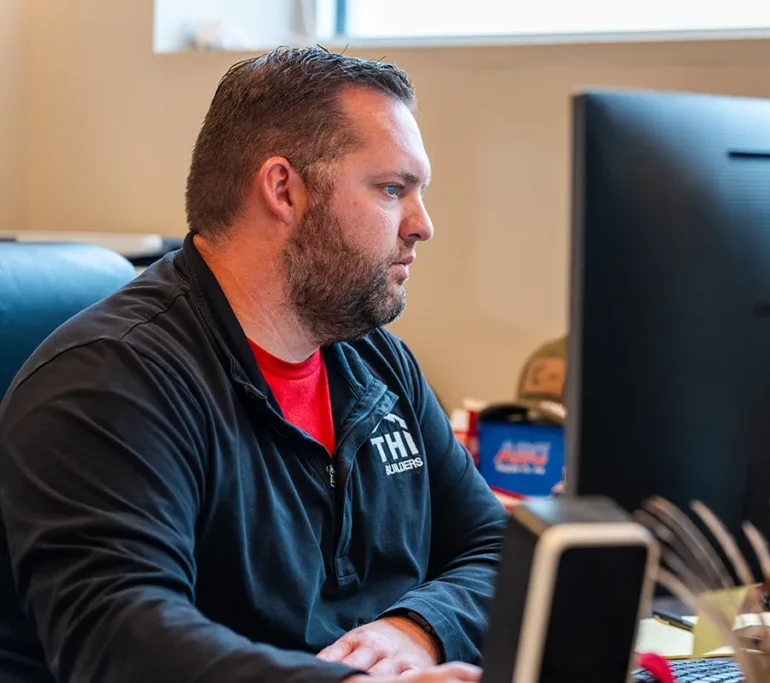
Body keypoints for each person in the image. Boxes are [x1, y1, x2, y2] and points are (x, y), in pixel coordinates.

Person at [0, 47, 507, 683]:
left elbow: (494, 547)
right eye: (390, 189)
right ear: (283, 189)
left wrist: (420, 627)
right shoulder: (107, 383)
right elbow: (122, 638)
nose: (421, 225)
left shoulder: (377, 363)